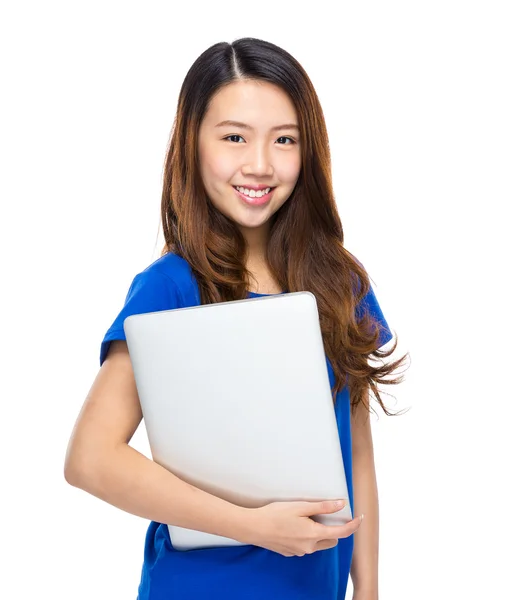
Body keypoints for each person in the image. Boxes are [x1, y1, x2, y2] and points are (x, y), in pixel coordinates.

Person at [64, 37, 407, 600]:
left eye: (284, 140)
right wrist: (253, 526)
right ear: (193, 145)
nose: (260, 165)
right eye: (234, 138)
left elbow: (358, 449)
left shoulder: (339, 281)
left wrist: (367, 591)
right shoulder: (170, 287)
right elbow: (90, 459)